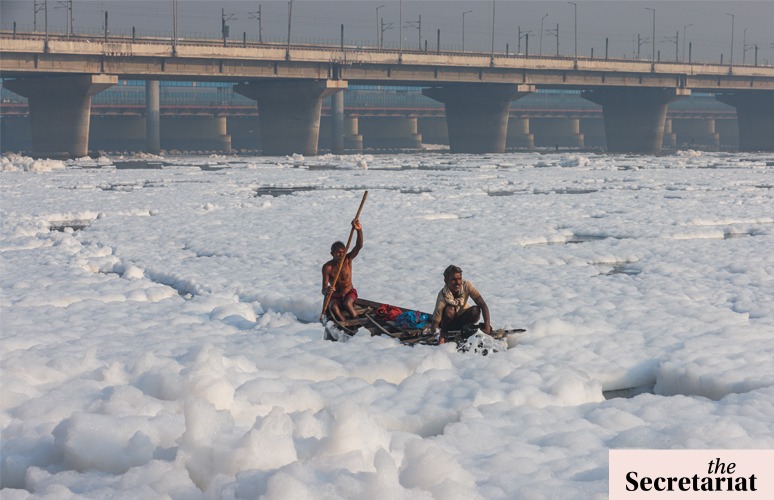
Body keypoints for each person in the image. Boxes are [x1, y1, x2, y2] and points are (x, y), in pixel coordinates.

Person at [430, 265, 491, 338]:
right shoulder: (442, 295)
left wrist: (487, 328)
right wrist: (438, 335)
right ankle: (448, 333)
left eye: (459, 279)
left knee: (475, 310)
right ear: (446, 281)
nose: (457, 282)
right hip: (448, 325)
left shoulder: (466, 285)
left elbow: (483, 305)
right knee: (450, 310)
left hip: (463, 320)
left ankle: (465, 329)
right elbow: (435, 321)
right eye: (453, 279)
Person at [322, 220, 364, 322]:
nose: (341, 255)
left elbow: (359, 246)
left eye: (343, 252)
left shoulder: (347, 259)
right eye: (338, 253)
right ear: (332, 253)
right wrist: (327, 290)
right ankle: (344, 324)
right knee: (333, 307)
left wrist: (359, 231)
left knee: (347, 304)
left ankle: (357, 324)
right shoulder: (327, 267)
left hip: (349, 293)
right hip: (336, 296)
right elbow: (323, 290)